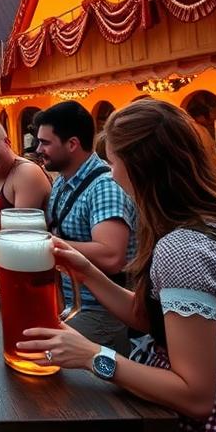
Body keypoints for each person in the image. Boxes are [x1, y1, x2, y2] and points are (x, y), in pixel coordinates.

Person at [17, 100, 216, 432]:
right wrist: (88, 271)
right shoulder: (215, 226)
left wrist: (94, 356)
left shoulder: (184, 250)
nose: (110, 173)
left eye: (114, 162)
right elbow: (150, 319)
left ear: (139, 167)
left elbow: (196, 396)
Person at [34, 101, 136, 354]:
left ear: (72, 144)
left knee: (40, 354)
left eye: (45, 143)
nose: (38, 149)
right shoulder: (63, 181)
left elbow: (111, 256)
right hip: (69, 302)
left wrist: (46, 243)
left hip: (101, 311)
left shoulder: (104, 187)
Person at [186, 102, 216, 172]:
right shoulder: (195, 129)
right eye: (208, 115)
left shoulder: (196, 128)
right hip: (204, 169)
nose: (211, 118)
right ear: (201, 116)